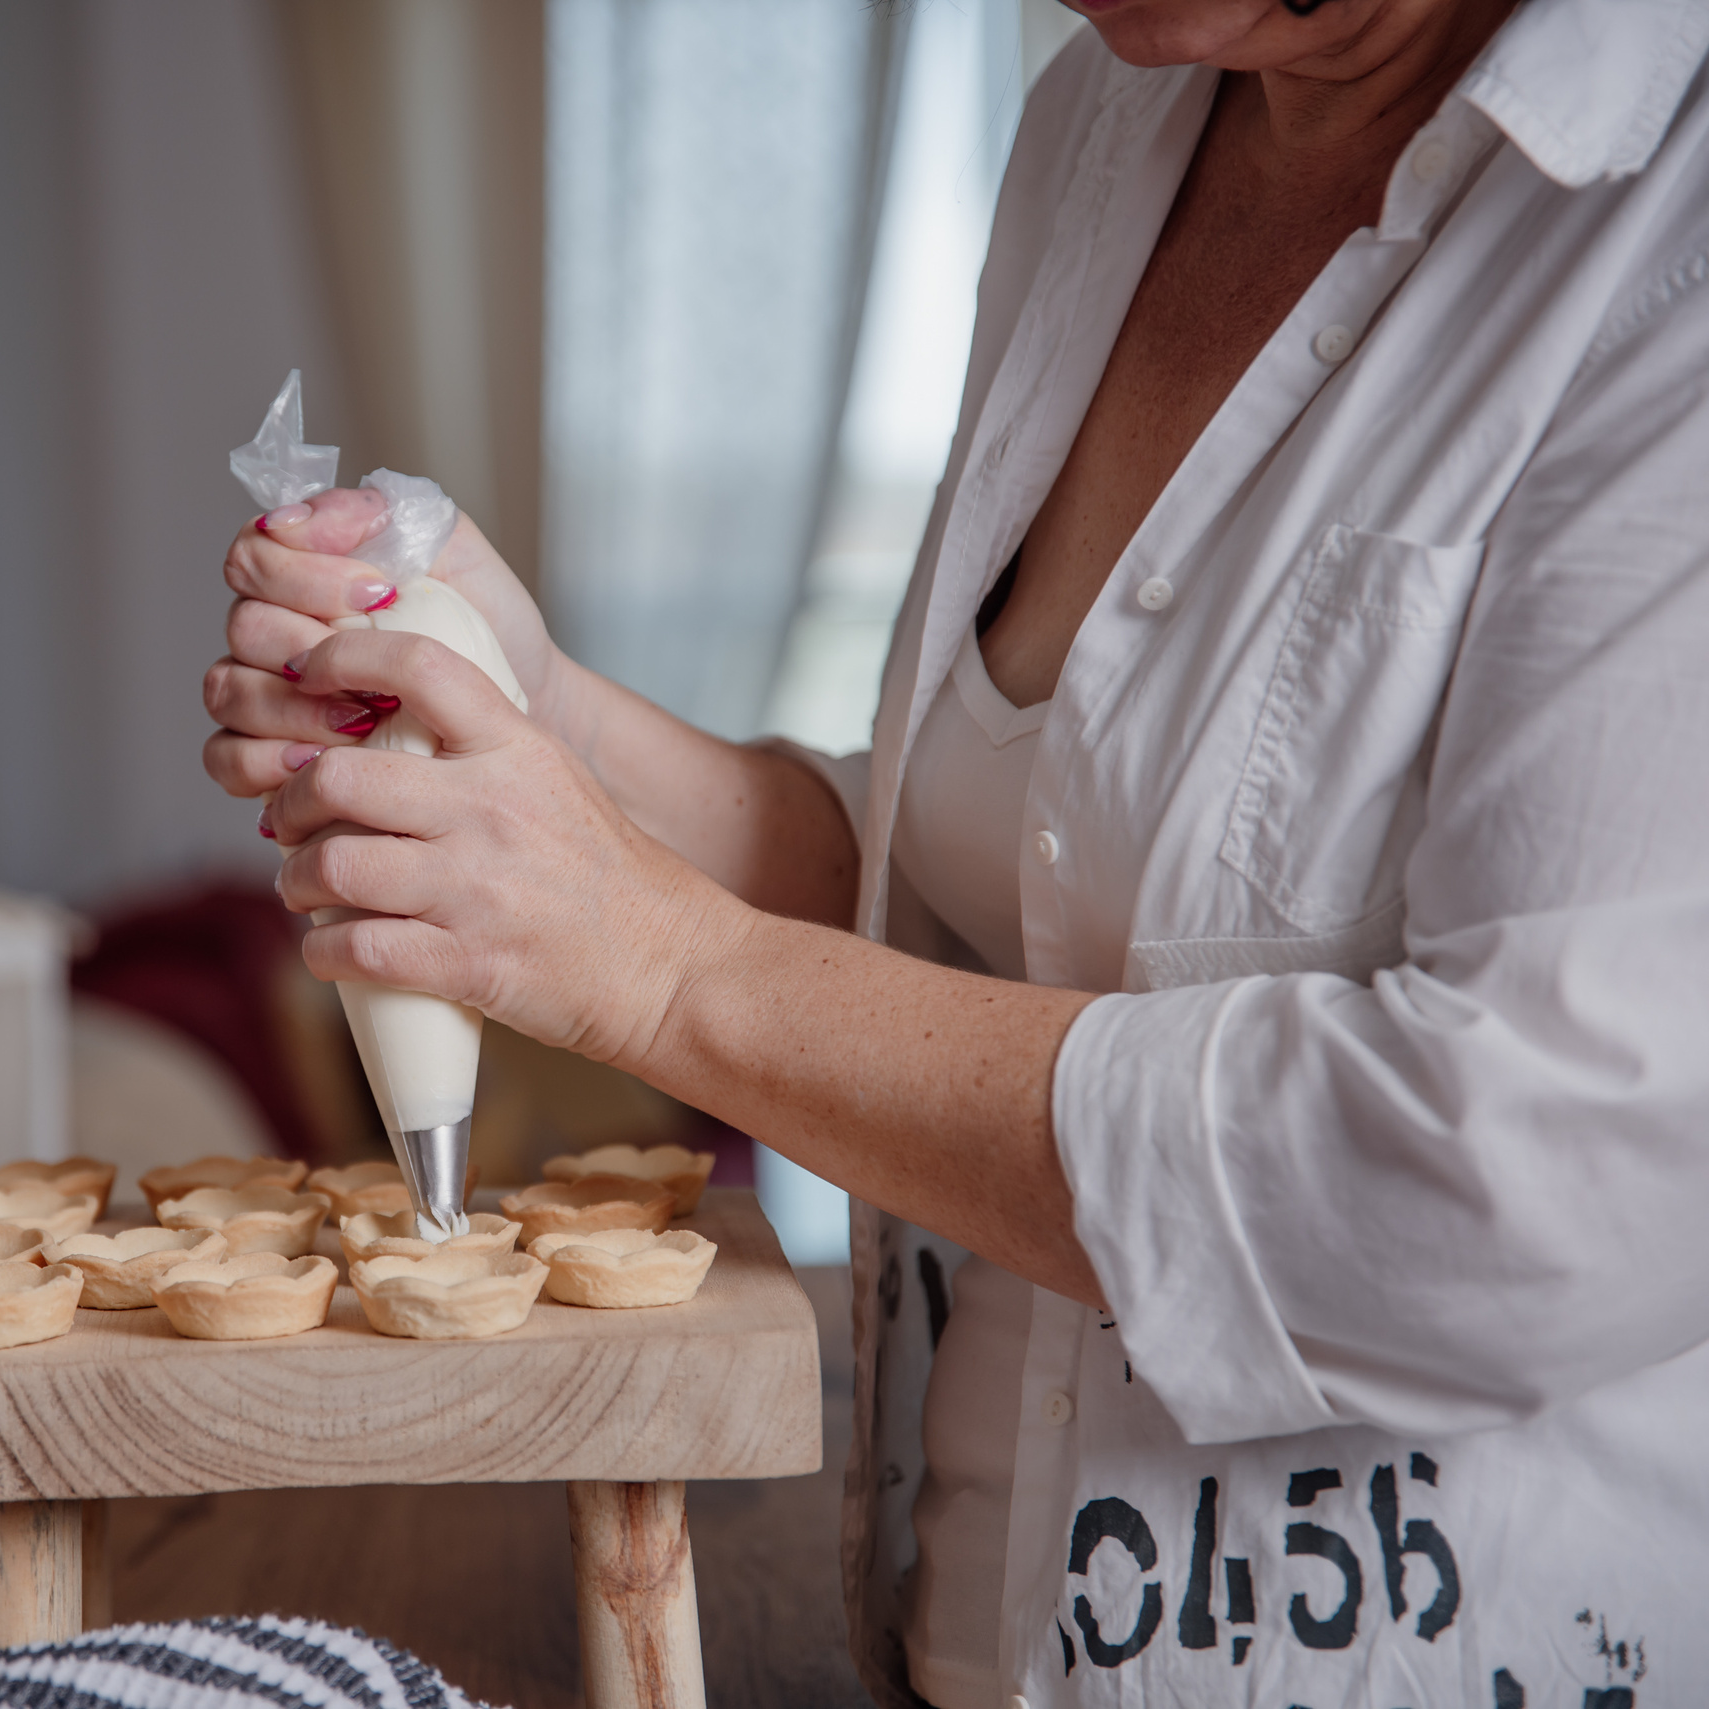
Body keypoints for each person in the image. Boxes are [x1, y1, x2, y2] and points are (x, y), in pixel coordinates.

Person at [203, 0, 1709, 1701]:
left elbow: (1511, 1186)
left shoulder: (1670, 209)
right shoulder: (1105, 121)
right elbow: (997, 899)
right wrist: (546, 721)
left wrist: (660, 961)